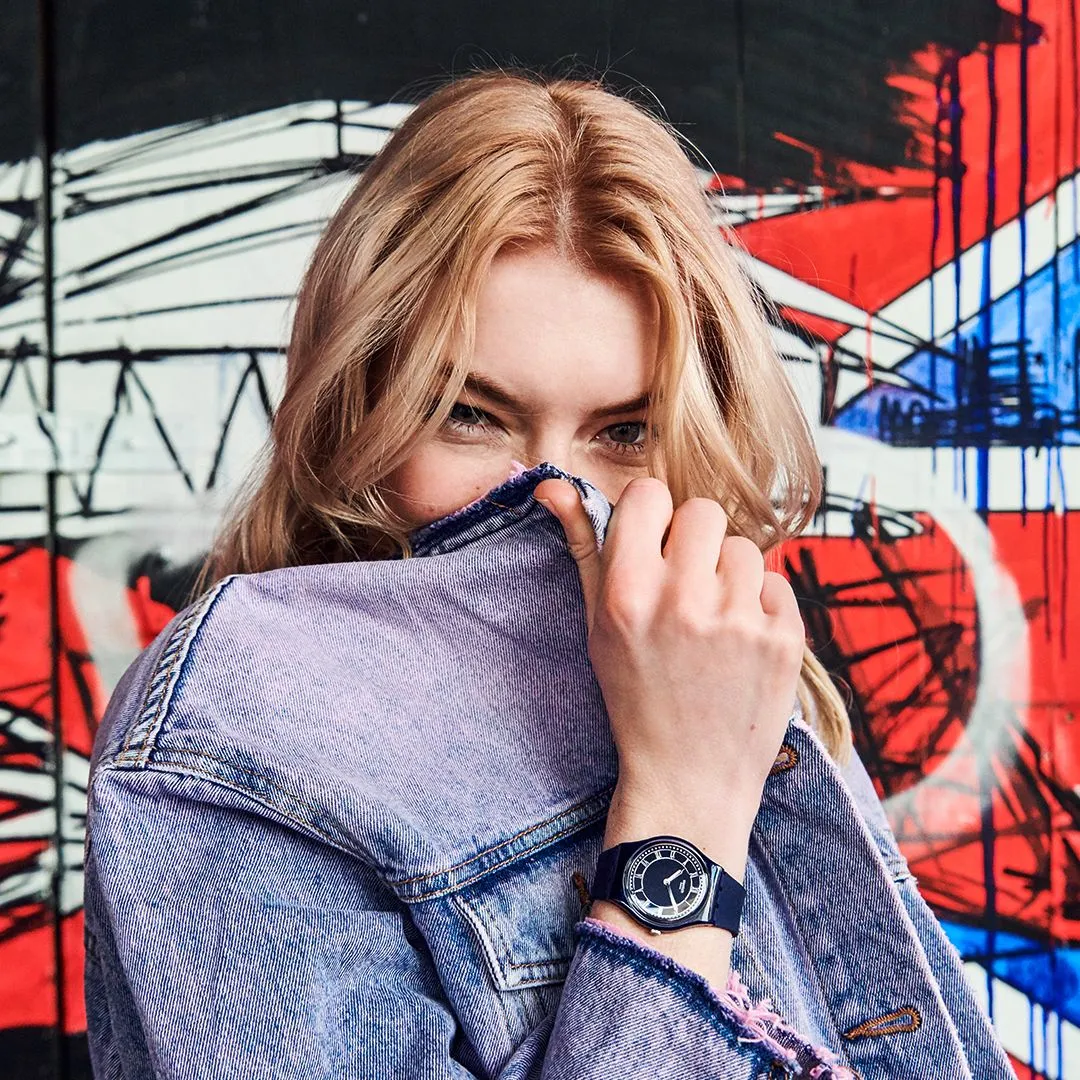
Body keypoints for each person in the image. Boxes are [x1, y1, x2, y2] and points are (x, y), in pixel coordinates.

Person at [82, 69, 1016, 1079]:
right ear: (358, 407)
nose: (556, 497)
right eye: (470, 415)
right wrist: (683, 811)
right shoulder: (240, 732)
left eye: (625, 432)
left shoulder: (722, 660)